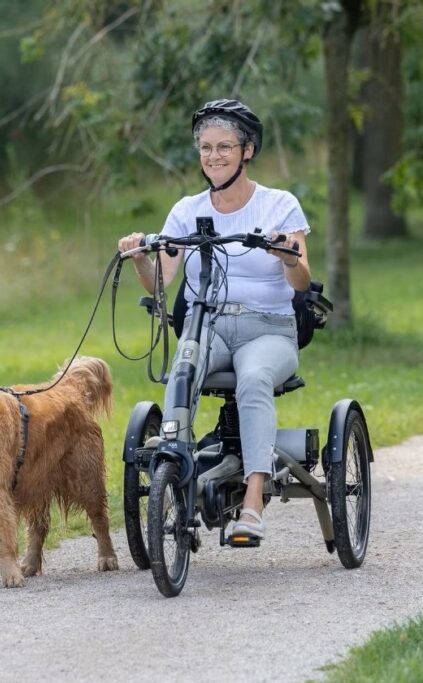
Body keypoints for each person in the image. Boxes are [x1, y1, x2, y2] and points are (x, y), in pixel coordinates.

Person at [118, 99, 312, 541]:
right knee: (183, 367)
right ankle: (175, 461)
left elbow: (302, 280)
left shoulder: (279, 205)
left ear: (248, 150)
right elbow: (162, 283)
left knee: (254, 379)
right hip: (209, 325)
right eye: (205, 147)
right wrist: (139, 259)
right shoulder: (186, 211)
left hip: (269, 328)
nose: (213, 156)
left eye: (225, 146)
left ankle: (253, 501)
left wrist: (287, 255)